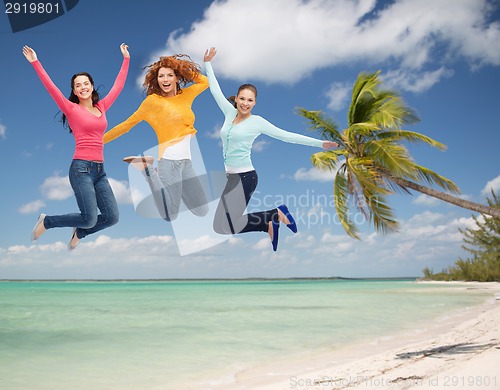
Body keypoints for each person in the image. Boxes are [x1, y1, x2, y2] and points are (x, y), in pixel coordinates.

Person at [203, 47, 338, 251]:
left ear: (254, 102)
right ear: (237, 99)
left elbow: (286, 136)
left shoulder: (258, 122)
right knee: (219, 227)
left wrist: (319, 144)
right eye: (242, 99)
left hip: (246, 178)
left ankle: (275, 214)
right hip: (232, 178)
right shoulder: (229, 113)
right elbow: (215, 90)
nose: (245, 103)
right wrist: (207, 64)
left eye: (250, 100)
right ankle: (268, 222)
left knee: (227, 225)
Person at [24, 43, 130, 250]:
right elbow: (50, 87)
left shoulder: (102, 107)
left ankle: (79, 232)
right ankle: (47, 222)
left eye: (86, 83)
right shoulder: (71, 108)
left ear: (92, 85)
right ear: (74, 90)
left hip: (100, 171)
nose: (82, 87)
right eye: (78, 85)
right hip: (81, 169)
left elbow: (118, 86)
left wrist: (126, 59)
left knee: (112, 217)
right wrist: (36, 62)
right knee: (89, 218)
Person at [103, 54, 209, 222]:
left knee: (202, 210)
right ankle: (147, 169)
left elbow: (205, 82)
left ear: (176, 77)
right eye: (161, 76)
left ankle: (170, 190)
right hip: (169, 162)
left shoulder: (186, 96)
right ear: (156, 79)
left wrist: (182, 68)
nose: (165, 79)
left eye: (169, 75)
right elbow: (127, 124)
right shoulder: (152, 102)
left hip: (187, 163)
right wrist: (99, 141)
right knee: (170, 215)